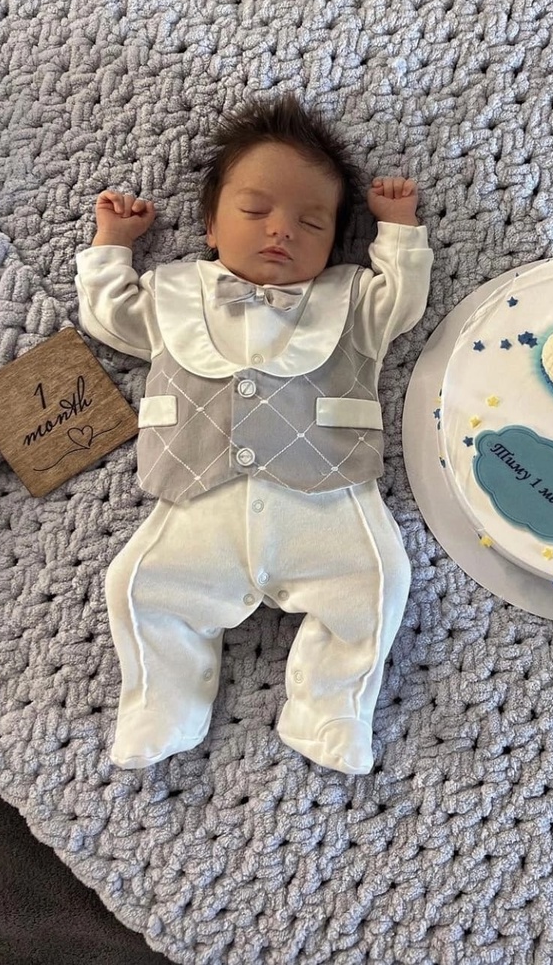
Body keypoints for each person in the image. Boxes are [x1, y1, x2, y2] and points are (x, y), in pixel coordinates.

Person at [76, 94, 432, 774]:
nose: (281, 231)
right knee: (138, 586)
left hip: (326, 496)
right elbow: (111, 315)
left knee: (379, 580)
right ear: (211, 225)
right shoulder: (174, 295)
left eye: (311, 222)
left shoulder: (350, 301)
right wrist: (112, 246)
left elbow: (401, 302)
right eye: (255, 211)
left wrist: (398, 232)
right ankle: (164, 706)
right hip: (198, 495)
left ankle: (330, 712)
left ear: (334, 240)